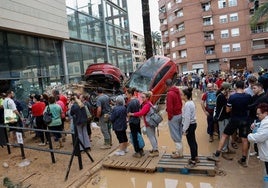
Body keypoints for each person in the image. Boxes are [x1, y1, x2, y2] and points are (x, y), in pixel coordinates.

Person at [207, 81, 252, 167]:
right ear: (243, 86)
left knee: (224, 135)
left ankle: (217, 155)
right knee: (244, 139)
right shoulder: (248, 96)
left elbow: (227, 110)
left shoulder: (232, 97)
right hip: (245, 120)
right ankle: (243, 159)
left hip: (234, 119)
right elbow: (249, 107)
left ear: (235, 86)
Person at [128, 91, 159, 157]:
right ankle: (155, 149)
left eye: (143, 97)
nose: (142, 98)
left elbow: (141, 113)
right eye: (141, 97)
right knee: (153, 136)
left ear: (147, 98)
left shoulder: (146, 105)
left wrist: (132, 114)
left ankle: (155, 150)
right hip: (152, 122)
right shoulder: (149, 103)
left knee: (151, 137)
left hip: (148, 123)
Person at [214, 82, 235, 160]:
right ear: (226, 89)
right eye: (229, 89)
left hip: (225, 118)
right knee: (224, 134)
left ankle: (227, 148)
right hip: (222, 118)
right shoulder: (221, 97)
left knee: (227, 134)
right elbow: (227, 109)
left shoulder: (222, 95)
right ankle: (224, 151)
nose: (230, 91)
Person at [248, 103, 268, 177]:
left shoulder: (266, 123)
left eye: (258, 114)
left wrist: (249, 136)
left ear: (265, 113)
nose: (257, 116)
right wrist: (256, 125)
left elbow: (260, 137)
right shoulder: (264, 121)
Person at [165, 79, 183, 158]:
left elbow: (169, 107)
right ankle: (179, 151)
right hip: (179, 114)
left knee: (175, 135)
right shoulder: (177, 91)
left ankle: (178, 153)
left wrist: (169, 117)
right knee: (179, 133)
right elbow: (180, 102)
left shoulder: (170, 94)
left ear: (167, 86)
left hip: (174, 116)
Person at [181, 87, 198, 168]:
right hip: (193, 124)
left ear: (185, 95)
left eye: (182, 94)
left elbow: (187, 118)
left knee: (191, 143)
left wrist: (184, 129)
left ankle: (193, 160)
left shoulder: (187, 105)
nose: (180, 96)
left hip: (190, 125)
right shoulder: (191, 102)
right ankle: (196, 157)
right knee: (193, 141)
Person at [126, 88, 144, 158]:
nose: (126, 95)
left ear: (130, 94)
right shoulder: (137, 100)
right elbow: (139, 110)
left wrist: (128, 119)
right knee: (139, 134)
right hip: (137, 120)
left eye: (127, 94)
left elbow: (128, 114)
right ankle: (141, 149)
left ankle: (137, 152)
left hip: (132, 121)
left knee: (134, 137)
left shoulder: (130, 103)